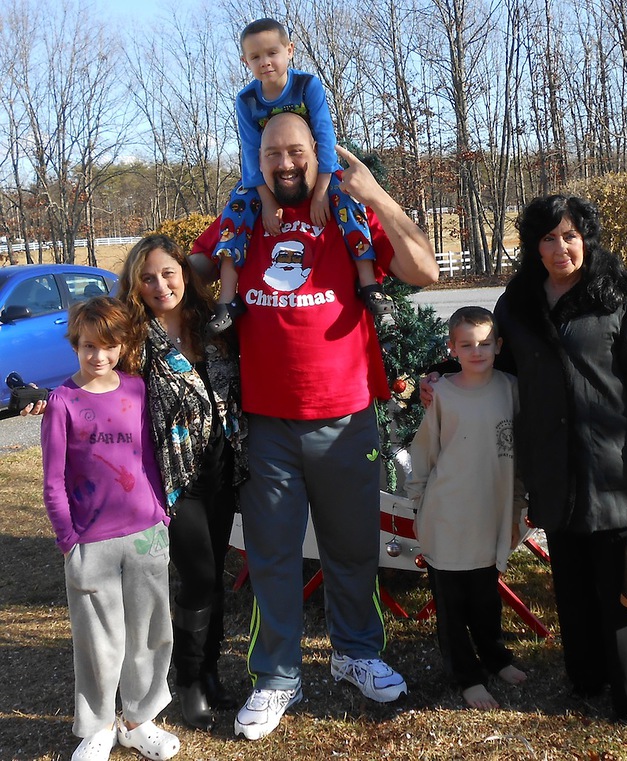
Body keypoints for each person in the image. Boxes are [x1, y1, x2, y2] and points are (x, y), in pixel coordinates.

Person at [202, 110, 437, 741]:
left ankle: (356, 652)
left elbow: (425, 271)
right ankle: (277, 677)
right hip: (267, 424)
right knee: (273, 555)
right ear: (259, 157)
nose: (284, 163)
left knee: (352, 547)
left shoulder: (347, 216)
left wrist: (373, 192)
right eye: (272, 152)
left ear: (318, 152)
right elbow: (191, 274)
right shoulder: (244, 218)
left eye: (296, 150)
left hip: (347, 416)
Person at [422, 194, 627, 722]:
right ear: (533, 245)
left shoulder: (617, 293)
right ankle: (585, 679)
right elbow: (496, 366)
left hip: (612, 461)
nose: (560, 247)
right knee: (570, 578)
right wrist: (438, 377)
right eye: (547, 237)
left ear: (586, 237)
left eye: (569, 235)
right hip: (549, 463)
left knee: (619, 582)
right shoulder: (517, 302)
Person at [117, 235, 249, 731]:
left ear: (185, 273)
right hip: (174, 478)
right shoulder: (132, 337)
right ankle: (189, 679)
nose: (160, 285)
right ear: (136, 284)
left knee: (215, 572)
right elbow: (100, 383)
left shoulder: (212, 324)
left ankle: (210, 669)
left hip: (224, 468)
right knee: (196, 575)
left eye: (168, 273)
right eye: (147, 277)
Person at [40, 296, 180, 761]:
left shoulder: (137, 390)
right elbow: (53, 478)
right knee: (98, 641)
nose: (98, 356)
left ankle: (139, 720)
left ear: (122, 344)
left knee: (150, 632)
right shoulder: (62, 402)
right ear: (75, 347)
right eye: (87, 346)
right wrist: (68, 540)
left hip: (145, 534)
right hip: (90, 541)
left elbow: (148, 456)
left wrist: (160, 511)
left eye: (108, 345)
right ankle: (98, 726)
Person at [208, 17, 393, 334]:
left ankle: (368, 284)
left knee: (350, 202)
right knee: (234, 210)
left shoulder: (307, 85)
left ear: (289, 50)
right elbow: (251, 152)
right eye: (255, 57)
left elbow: (324, 135)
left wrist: (321, 191)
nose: (265, 62)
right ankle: (228, 300)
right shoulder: (247, 100)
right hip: (267, 177)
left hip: (320, 171)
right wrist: (266, 201)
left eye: (272, 53)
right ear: (245, 61)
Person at [406, 306, 528, 711]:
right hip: (448, 513)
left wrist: (516, 510)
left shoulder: (511, 389)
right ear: (452, 349)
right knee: (452, 603)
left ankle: (495, 657)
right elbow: (424, 452)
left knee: (486, 596)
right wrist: (420, 501)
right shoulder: (441, 392)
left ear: (499, 346)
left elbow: (520, 459)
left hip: (492, 511)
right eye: (467, 345)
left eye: (485, 343)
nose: (477, 352)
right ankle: (467, 675)